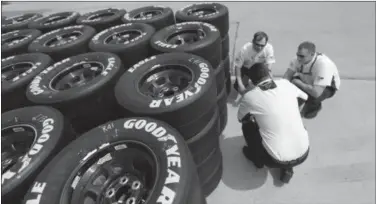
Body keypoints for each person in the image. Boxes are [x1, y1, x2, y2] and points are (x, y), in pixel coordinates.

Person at [237, 62, 310, 183]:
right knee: (286, 126)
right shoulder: (286, 84)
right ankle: (288, 169)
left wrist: (249, 95)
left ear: (251, 81)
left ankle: (258, 160)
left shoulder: (250, 96)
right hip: (304, 152)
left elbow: (241, 118)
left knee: (248, 125)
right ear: (270, 74)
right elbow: (305, 97)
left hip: (273, 160)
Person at [283, 41, 341, 119]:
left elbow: (317, 93)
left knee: (311, 100)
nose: (298, 58)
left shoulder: (324, 65)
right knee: (290, 96)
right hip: (306, 80)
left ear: (312, 54)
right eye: (297, 55)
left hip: (326, 87)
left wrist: (298, 83)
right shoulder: (296, 60)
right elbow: (286, 77)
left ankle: (314, 106)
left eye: (302, 56)